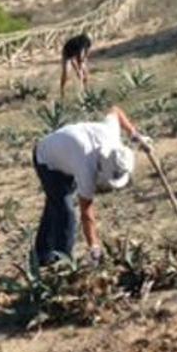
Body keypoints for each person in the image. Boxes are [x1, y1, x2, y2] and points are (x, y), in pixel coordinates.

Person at [31, 105, 152, 268]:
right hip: (46, 159)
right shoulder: (86, 166)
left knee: (55, 203)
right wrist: (94, 246)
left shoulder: (112, 139)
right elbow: (87, 213)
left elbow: (115, 110)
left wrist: (134, 134)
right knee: (66, 212)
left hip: (65, 153)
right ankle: (63, 262)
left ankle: (41, 255)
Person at [60, 33, 92, 99]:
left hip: (76, 55)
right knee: (66, 72)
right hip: (68, 54)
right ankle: (62, 90)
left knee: (85, 72)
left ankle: (86, 89)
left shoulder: (87, 42)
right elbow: (75, 59)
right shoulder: (77, 44)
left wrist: (84, 62)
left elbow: (86, 52)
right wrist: (78, 70)